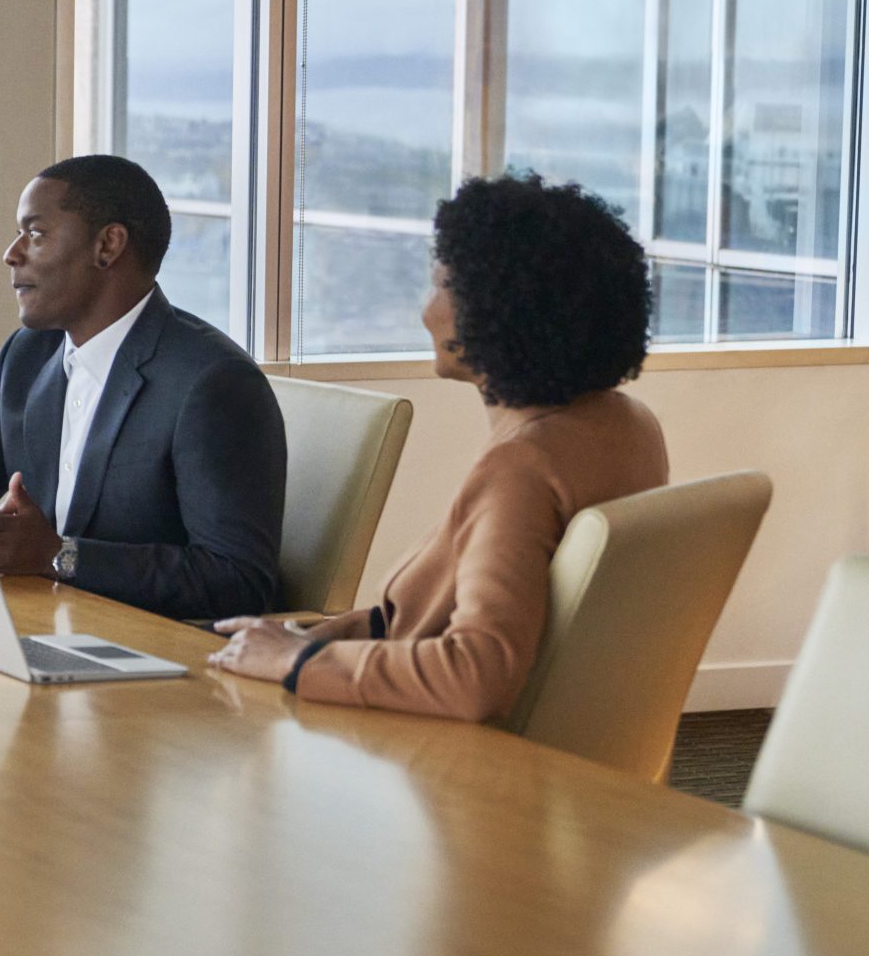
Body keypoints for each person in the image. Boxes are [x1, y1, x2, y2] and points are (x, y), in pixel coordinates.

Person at [209, 173, 666, 719]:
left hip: (452, 765)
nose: (427, 311)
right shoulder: (628, 424)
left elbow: (477, 673)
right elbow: (418, 617)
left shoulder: (522, 467)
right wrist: (293, 639)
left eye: (440, 286)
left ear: (499, 309)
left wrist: (299, 662)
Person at [0, 154, 285, 622]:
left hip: (152, 661)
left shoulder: (211, 384)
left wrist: (60, 555)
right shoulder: (28, 354)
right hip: (40, 626)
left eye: (35, 233)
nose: (12, 253)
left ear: (108, 245)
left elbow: (238, 582)